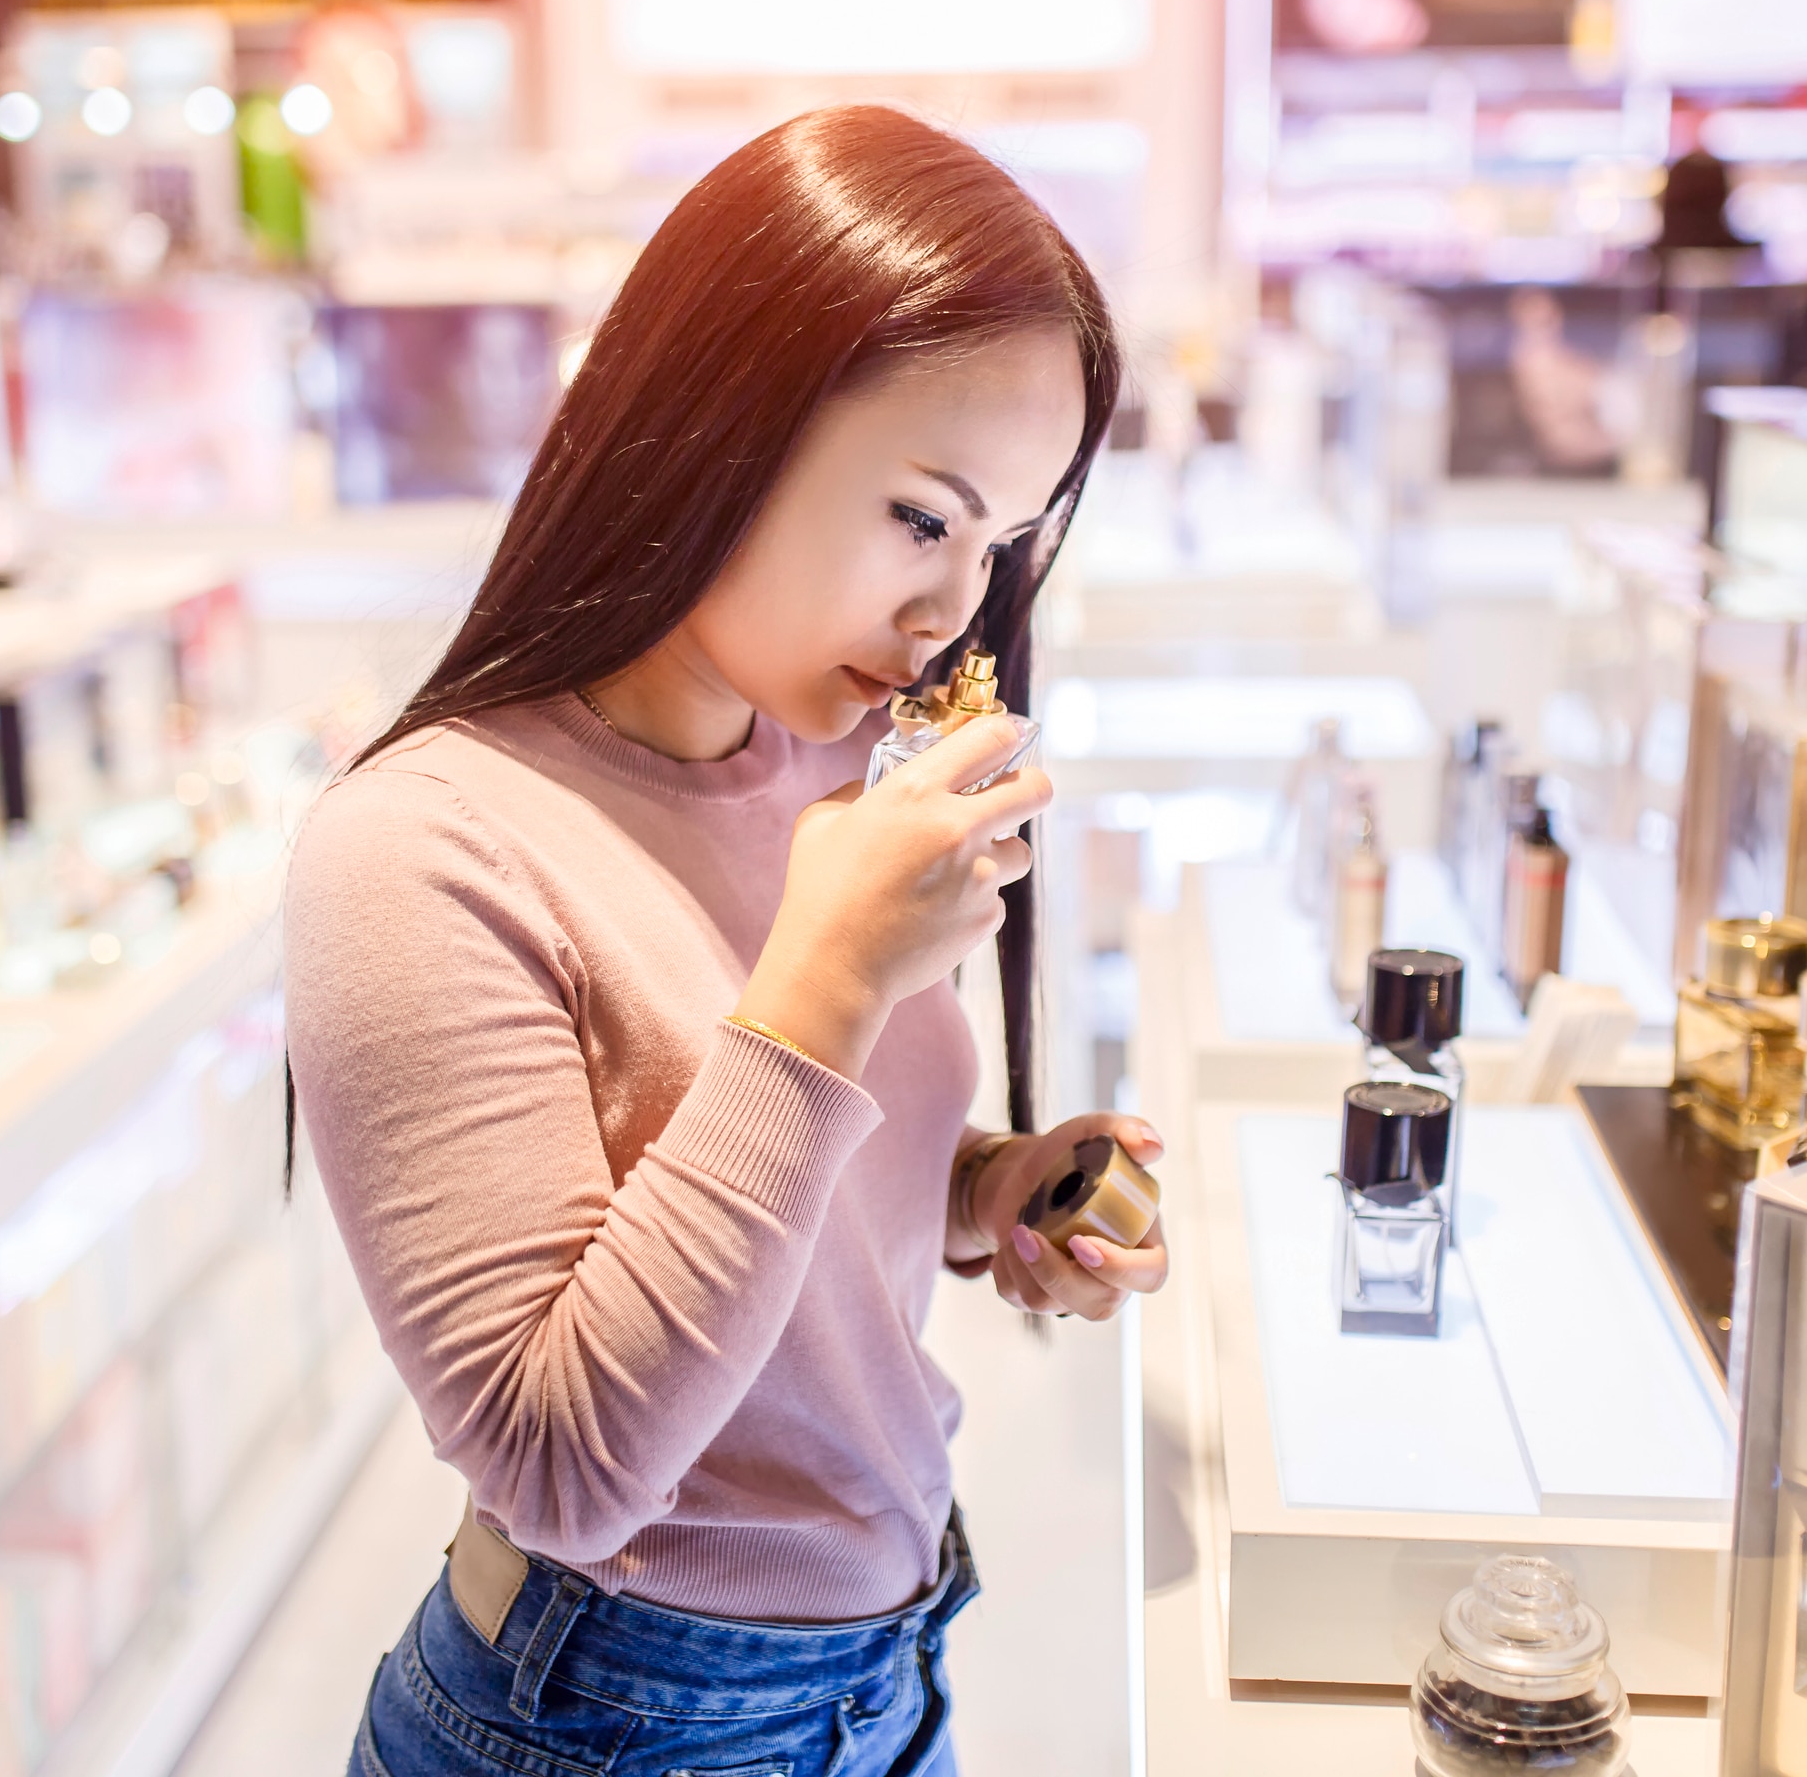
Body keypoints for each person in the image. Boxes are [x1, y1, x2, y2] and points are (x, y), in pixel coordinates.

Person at [282, 105, 1168, 1777]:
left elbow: (756, 1165)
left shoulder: (829, 762)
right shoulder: (420, 846)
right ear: (710, 425)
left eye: (999, 546)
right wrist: (830, 982)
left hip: (891, 1668)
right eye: (920, 517)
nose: (953, 615)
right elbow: (563, 1465)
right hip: (604, 1718)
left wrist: (986, 1189)